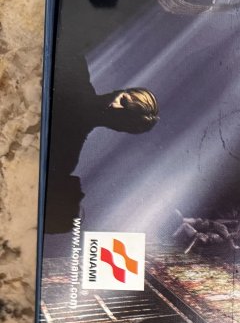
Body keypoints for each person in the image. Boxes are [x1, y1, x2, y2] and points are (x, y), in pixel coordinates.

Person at [45, 44, 158, 233]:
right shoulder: (74, 68)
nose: (115, 106)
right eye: (123, 100)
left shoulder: (67, 157)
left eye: (124, 115)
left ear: (120, 127)